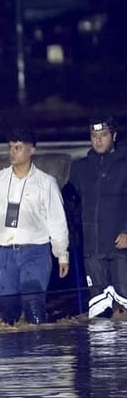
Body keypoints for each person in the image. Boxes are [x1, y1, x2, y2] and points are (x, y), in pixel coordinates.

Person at [0, 128, 70, 324]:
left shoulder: (46, 183)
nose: (12, 152)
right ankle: (13, 351)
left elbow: (57, 221)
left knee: (33, 304)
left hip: (35, 252)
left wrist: (62, 254)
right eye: (11, 147)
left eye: (18, 148)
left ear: (31, 150)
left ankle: (38, 349)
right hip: (3, 255)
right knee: (8, 311)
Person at [66, 114, 127, 317]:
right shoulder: (80, 168)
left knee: (124, 310)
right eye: (94, 135)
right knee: (99, 313)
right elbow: (69, 201)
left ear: (114, 136)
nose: (98, 140)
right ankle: (102, 349)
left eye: (103, 135)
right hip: (92, 251)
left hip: (121, 251)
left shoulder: (124, 165)